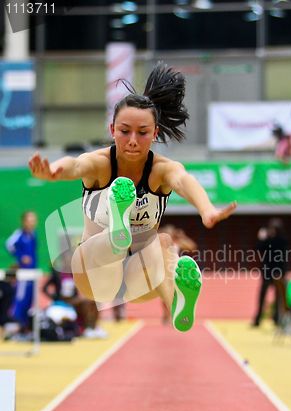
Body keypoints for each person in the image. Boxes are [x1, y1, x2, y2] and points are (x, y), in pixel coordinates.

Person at [28, 62, 237, 333]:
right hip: (94, 271)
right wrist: (54, 171)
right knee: (121, 250)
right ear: (112, 128)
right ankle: (116, 232)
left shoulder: (161, 170)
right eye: (125, 131)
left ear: (156, 133)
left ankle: (177, 303)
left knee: (162, 244)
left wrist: (206, 209)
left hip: (136, 278)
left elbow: (184, 180)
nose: (133, 141)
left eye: (143, 133)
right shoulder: (101, 163)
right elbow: (75, 165)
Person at [251, 218, 289, 327]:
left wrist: (262, 238)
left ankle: (275, 318)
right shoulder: (277, 240)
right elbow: (258, 249)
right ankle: (260, 319)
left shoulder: (279, 240)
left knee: (276, 296)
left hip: (277, 272)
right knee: (264, 296)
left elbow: (260, 247)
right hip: (270, 272)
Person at [5, 211, 38, 332]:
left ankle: (25, 327)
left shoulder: (34, 234)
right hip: (23, 274)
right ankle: (15, 325)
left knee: (30, 300)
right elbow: (8, 244)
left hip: (32, 272)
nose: (32, 223)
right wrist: (20, 256)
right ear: (24, 221)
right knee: (21, 299)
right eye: (30, 220)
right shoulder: (19, 234)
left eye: (34, 220)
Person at [159, 224, 197, 324]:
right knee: (165, 296)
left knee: (176, 295)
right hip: (164, 272)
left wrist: (182, 237)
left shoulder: (177, 243)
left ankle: (173, 315)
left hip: (175, 272)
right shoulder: (160, 243)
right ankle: (167, 314)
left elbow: (192, 246)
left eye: (170, 233)